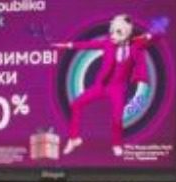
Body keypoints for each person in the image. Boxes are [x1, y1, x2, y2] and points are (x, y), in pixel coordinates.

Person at [54, 14, 155, 157]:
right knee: (76, 104)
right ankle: (74, 138)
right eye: (112, 31)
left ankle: (116, 144)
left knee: (116, 119)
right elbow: (88, 45)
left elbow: (157, 37)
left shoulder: (135, 48)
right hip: (101, 86)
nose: (113, 35)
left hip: (118, 89)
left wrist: (151, 36)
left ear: (126, 34)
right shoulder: (108, 43)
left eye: (118, 32)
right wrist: (69, 45)